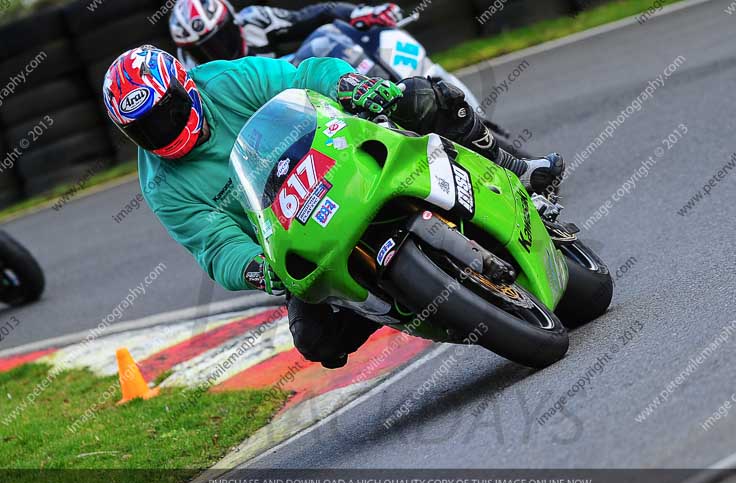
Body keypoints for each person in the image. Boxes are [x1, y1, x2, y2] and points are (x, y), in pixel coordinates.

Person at [103, 45, 563, 368]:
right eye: (147, 130)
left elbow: (302, 77)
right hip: (297, 232)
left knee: (422, 98)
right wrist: (257, 270)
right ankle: (399, 302)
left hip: (341, 162)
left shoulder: (227, 80)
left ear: (187, 87)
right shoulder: (163, 187)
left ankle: (514, 166)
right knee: (315, 341)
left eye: (168, 113)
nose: (165, 130)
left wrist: (350, 85)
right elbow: (215, 247)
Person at [169, 0, 403, 69]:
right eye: (203, 49)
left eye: (220, 38)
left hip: (295, 92)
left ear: (233, 21)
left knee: (327, 41)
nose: (216, 50)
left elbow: (314, 14)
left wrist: (359, 13)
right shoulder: (191, 73)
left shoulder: (255, 19)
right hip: (256, 128)